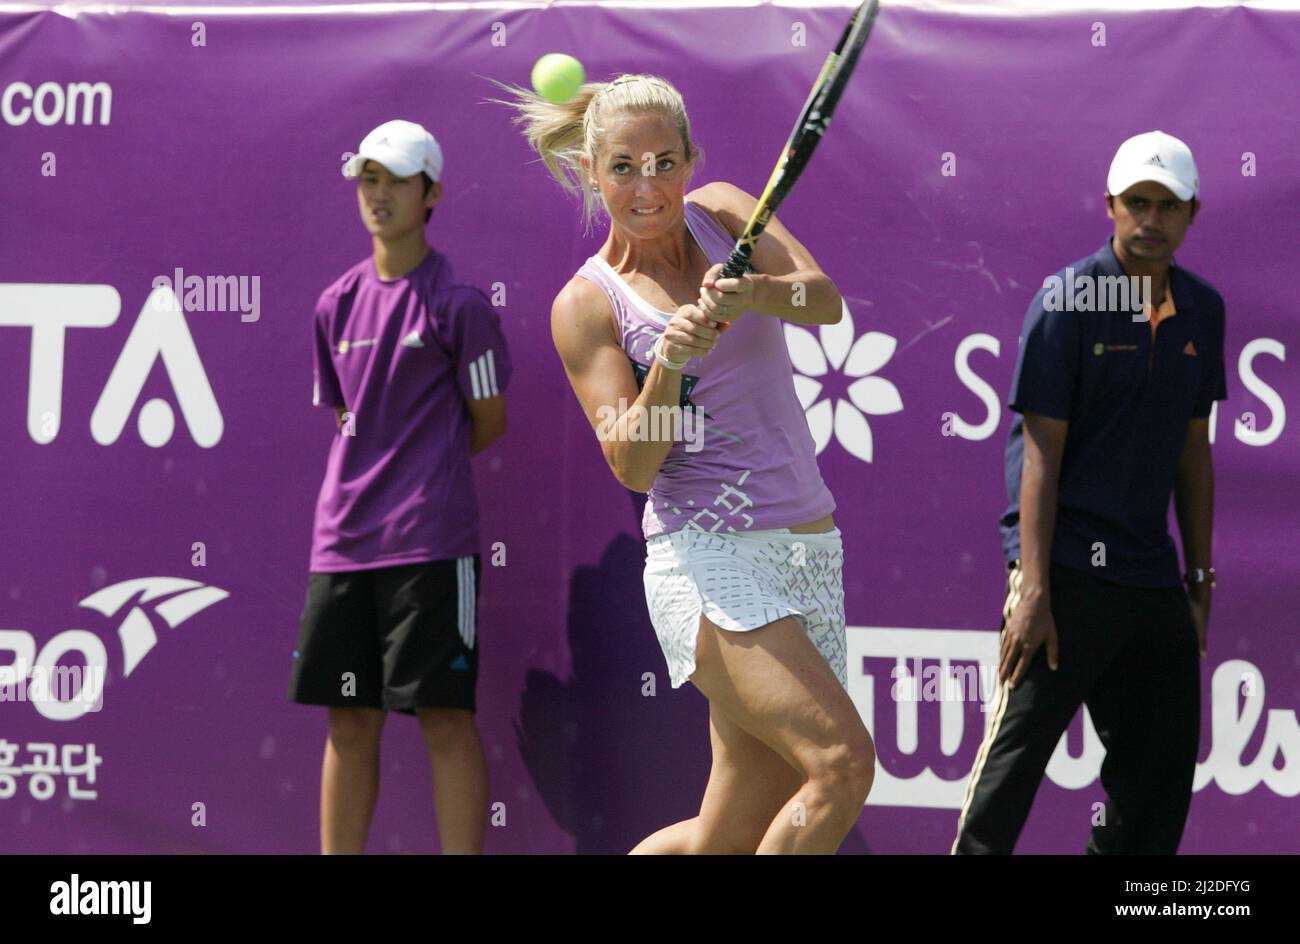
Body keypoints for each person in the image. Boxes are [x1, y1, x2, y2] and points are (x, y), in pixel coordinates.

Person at [496, 74, 875, 854]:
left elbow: (822, 299)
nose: (648, 186)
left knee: (725, 833)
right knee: (841, 765)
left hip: (809, 551)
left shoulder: (728, 212)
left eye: (665, 162)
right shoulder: (588, 305)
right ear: (594, 173)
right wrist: (670, 362)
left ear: (692, 160)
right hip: (706, 561)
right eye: (625, 167)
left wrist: (752, 294)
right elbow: (633, 466)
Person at [953, 130, 1226, 854]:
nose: (1151, 220)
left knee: (1157, 790)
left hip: (1151, 581)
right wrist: (1034, 587)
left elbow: (1193, 455)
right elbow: (1040, 451)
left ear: (1192, 213)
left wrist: (1197, 582)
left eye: (1168, 205)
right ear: (1110, 206)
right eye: (1138, 202)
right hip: (1064, 577)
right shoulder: (1067, 299)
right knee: (1007, 778)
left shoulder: (1204, 310)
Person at [287, 119, 511, 854]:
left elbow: (489, 420)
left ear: (432, 192)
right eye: (367, 179)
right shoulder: (334, 305)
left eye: (395, 180)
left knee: (445, 719)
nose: (378, 195)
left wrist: (426, 477)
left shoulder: (463, 305)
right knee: (349, 722)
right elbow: (349, 415)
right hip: (343, 547)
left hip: (431, 548)